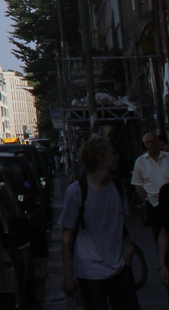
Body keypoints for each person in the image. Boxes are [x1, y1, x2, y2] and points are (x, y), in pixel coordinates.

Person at [61, 135, 140, 310]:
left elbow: (120, 224)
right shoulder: (77, 192)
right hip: (90, 272)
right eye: (113, 153)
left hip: (119, 267)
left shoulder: (118, 189)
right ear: (100, 157)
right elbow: (67, 236)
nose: (117, 157)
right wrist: (68, 275)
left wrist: (130, 245)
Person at [131, 130, 169, 285]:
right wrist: (146, 198)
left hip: (168, 202)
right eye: (148, 142)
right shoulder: (141, 162)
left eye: (153, 142)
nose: (152, 145)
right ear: (145, 144)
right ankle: (163, 262)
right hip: (154, 203)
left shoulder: (167, 158)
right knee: (159, 234)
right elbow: (138, 184)